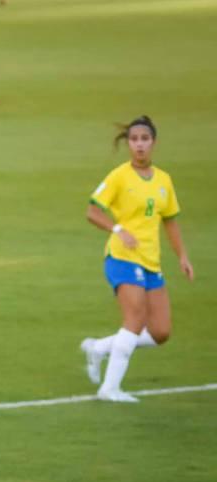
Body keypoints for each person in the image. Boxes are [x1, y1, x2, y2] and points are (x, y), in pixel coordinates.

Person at [81, 116, 194, 402]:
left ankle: (99, 348)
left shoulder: (163, 180)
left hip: (150, 260)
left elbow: (169, 220)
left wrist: (182, 256)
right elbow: (92, 211)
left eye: (145, 139)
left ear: (153, 142)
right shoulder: (119, 176)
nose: (139, 145)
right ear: (128, 144)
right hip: (122, 258)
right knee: (134, 318)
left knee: (160, 331)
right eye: (134, 139)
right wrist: (117, 229)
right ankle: (110, 388)